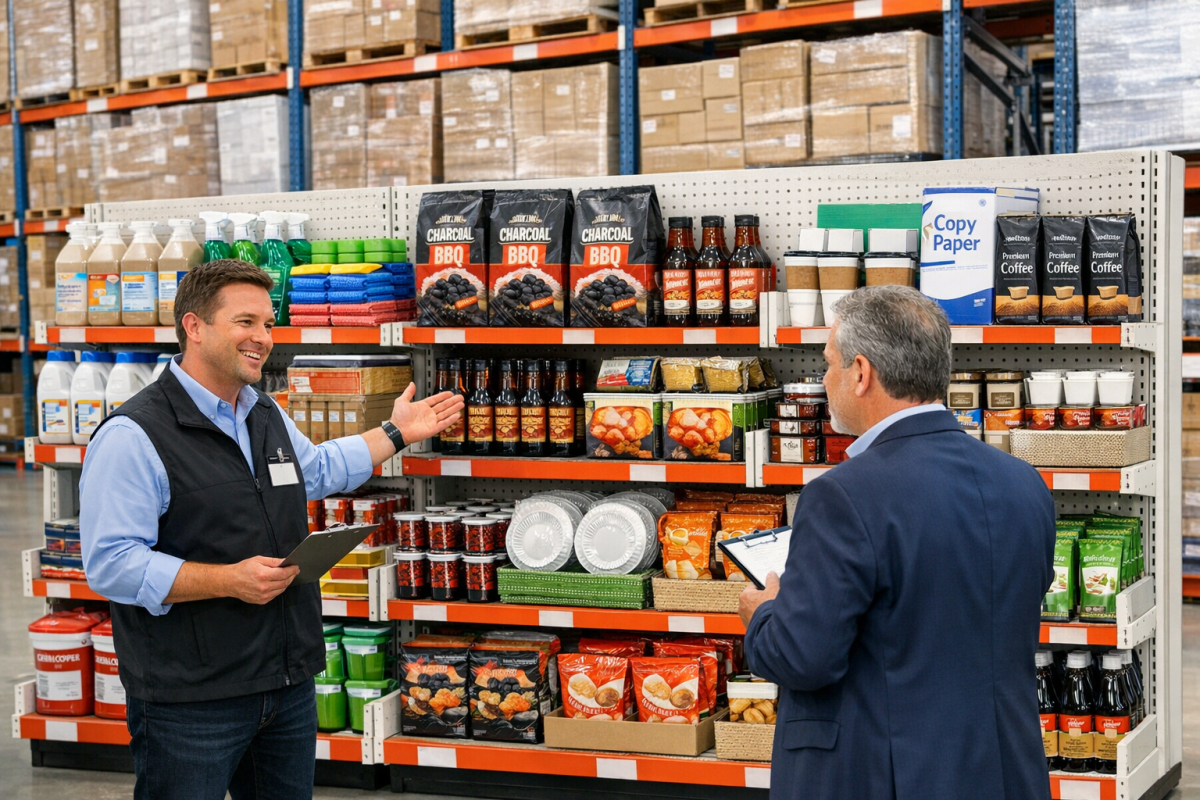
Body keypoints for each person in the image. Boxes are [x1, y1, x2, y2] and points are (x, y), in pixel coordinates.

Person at [79, 259, 463, 800]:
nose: (263, 338)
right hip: (193, 698)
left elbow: (316, 470)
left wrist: (398, 431)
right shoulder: (133, 435)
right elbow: (112, 563)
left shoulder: (262, 411)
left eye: (267, 323)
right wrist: (226, 579)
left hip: (285, 684)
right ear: (194, 326)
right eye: (245, 322)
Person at [738, 286, 1055, 800]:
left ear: (861, 373)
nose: (824, 381)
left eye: (829, 364)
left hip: (884, 775)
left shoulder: (841, 496)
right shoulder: (1024, 483)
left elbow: (804, 657)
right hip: (1004, 770)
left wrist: (765, 615)